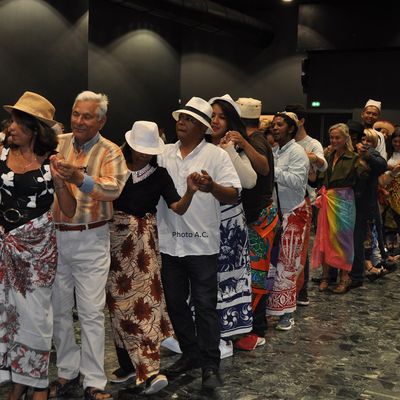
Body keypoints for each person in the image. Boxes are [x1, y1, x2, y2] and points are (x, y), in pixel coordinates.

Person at [106, 121, 199, 395]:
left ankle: (150, 369)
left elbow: (177, 208)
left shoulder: (159, 175)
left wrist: (191, 191)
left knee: (146, 302)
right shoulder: (115, 168)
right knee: (115, 302)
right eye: (140, 149)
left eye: (149, 150)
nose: (144, 154)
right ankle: (126, 364)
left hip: (142, 247)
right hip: (112, 241)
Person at [157, 97, 241, 390]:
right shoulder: (163, 153)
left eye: (189, 119)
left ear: (203, 127)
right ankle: (190, 354)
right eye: (180, 117)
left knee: (206, 307)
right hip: (169, 243)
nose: (181, 122)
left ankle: (210, 365)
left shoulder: (216, 156)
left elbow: (233, 194)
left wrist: (211, 187)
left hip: (202, 245)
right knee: (176, 304)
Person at [49, 91, 128, 400]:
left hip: (91, 237)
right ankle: (67, 372)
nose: (79, 121)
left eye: (87, 116)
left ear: (102, 120)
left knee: (91, 311)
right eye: (76, 113)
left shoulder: (111, 152)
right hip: (55, 236)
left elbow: (113, 190)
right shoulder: (58, 144)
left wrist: (80, 178)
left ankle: (94, 380)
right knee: (58, 309)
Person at [0, 91, 76, 400]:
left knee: (36, 319)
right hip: (4, 246)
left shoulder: (52, 164)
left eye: (19, 122)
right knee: (7, 314)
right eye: (12, 120)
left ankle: (39, 384)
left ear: (36, 129)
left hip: (37, 250)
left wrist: (59, 181)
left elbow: (69, 210)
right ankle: (18, 385)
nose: (11, 127)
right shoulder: (0, 155)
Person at [207, 94, 255, 355]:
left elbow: (249, 181)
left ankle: (226, 335)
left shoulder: (232, 148)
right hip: (203, 221)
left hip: (229, 223)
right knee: (204, 277)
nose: (215, 121)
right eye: (212, 115)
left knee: (228, 276)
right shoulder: (198, 144)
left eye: (221, 117)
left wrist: (228, 150)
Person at [230, 97, 277, 350]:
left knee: (254, 275)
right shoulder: (256, 139)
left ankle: (256, 328)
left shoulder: (254, 141)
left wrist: (243, 143)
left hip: (259, 217)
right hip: (259, 214)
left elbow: (263, 168)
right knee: (253, 273)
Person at [266, 112, 310, 330]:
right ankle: (273, 308)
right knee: (275, 264)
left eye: (279, 125)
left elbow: (297, 182)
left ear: (291, 129)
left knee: (289, 265)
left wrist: (274, 172)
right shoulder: (274, 151)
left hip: (293, 214)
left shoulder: (298, 152)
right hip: (276, 214)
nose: (275, 128)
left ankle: (287, 313)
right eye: (273, 125)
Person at [311, 123, 368, 294]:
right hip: (328, 199)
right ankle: (326, 276)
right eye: (332, 137)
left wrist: (364, 158)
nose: (334, 140)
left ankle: (344, 277)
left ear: (346, 139)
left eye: (338, 137)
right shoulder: (328, 156)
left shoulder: (354, 157)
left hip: (344, 201)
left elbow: (364, 178)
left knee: (343, 240)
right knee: (325, 238)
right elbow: (319, 178)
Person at [284, 104, 327, 306]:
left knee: (299, 247)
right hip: (282, 200)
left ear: (299, 121)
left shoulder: (312, 143)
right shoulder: (283, 143)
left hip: (303, 198)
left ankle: (300, 290)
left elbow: (322, 164)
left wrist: (304, 155)